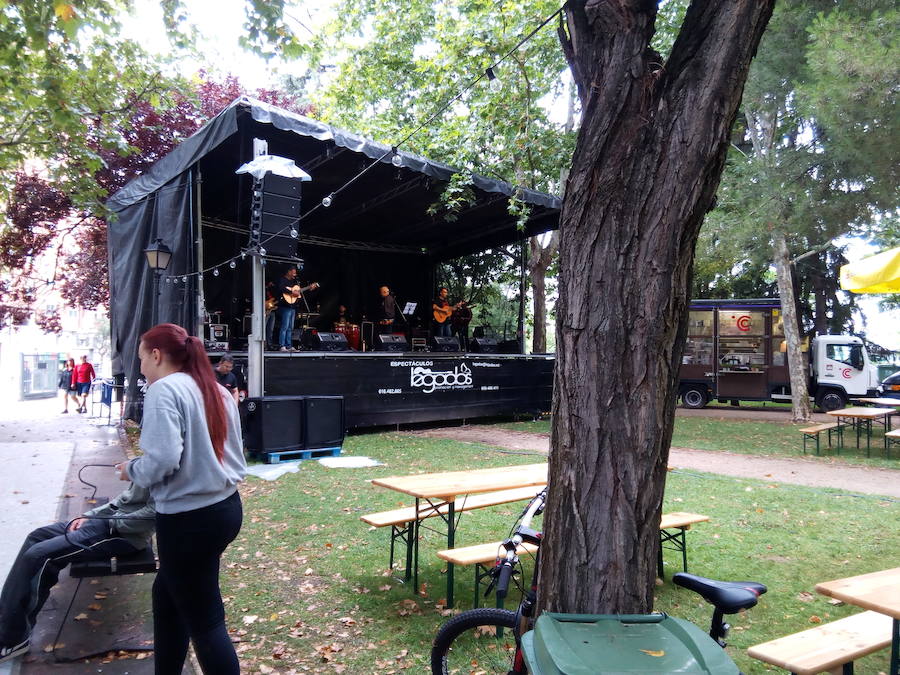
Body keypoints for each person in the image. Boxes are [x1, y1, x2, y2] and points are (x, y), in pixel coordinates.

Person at [117, 323, 246, 674]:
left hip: (190, 519)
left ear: (157, 355)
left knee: (205, 620)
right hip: (225, 510)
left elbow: (162, 460)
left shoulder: (164, 390)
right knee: (168, 595)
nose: (141, 366)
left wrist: (131, 469)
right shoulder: (216, 390)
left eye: (142, 358)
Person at [0, 484, 155, 664]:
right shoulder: (147, 468)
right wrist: (90, 515)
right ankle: (5, 618)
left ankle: (13, 639)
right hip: (104, 523)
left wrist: (110, 522)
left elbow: (153, 513)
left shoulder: (165, 469)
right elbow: (126, 498)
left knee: (38, 556)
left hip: (121, 535)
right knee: (36, 537)